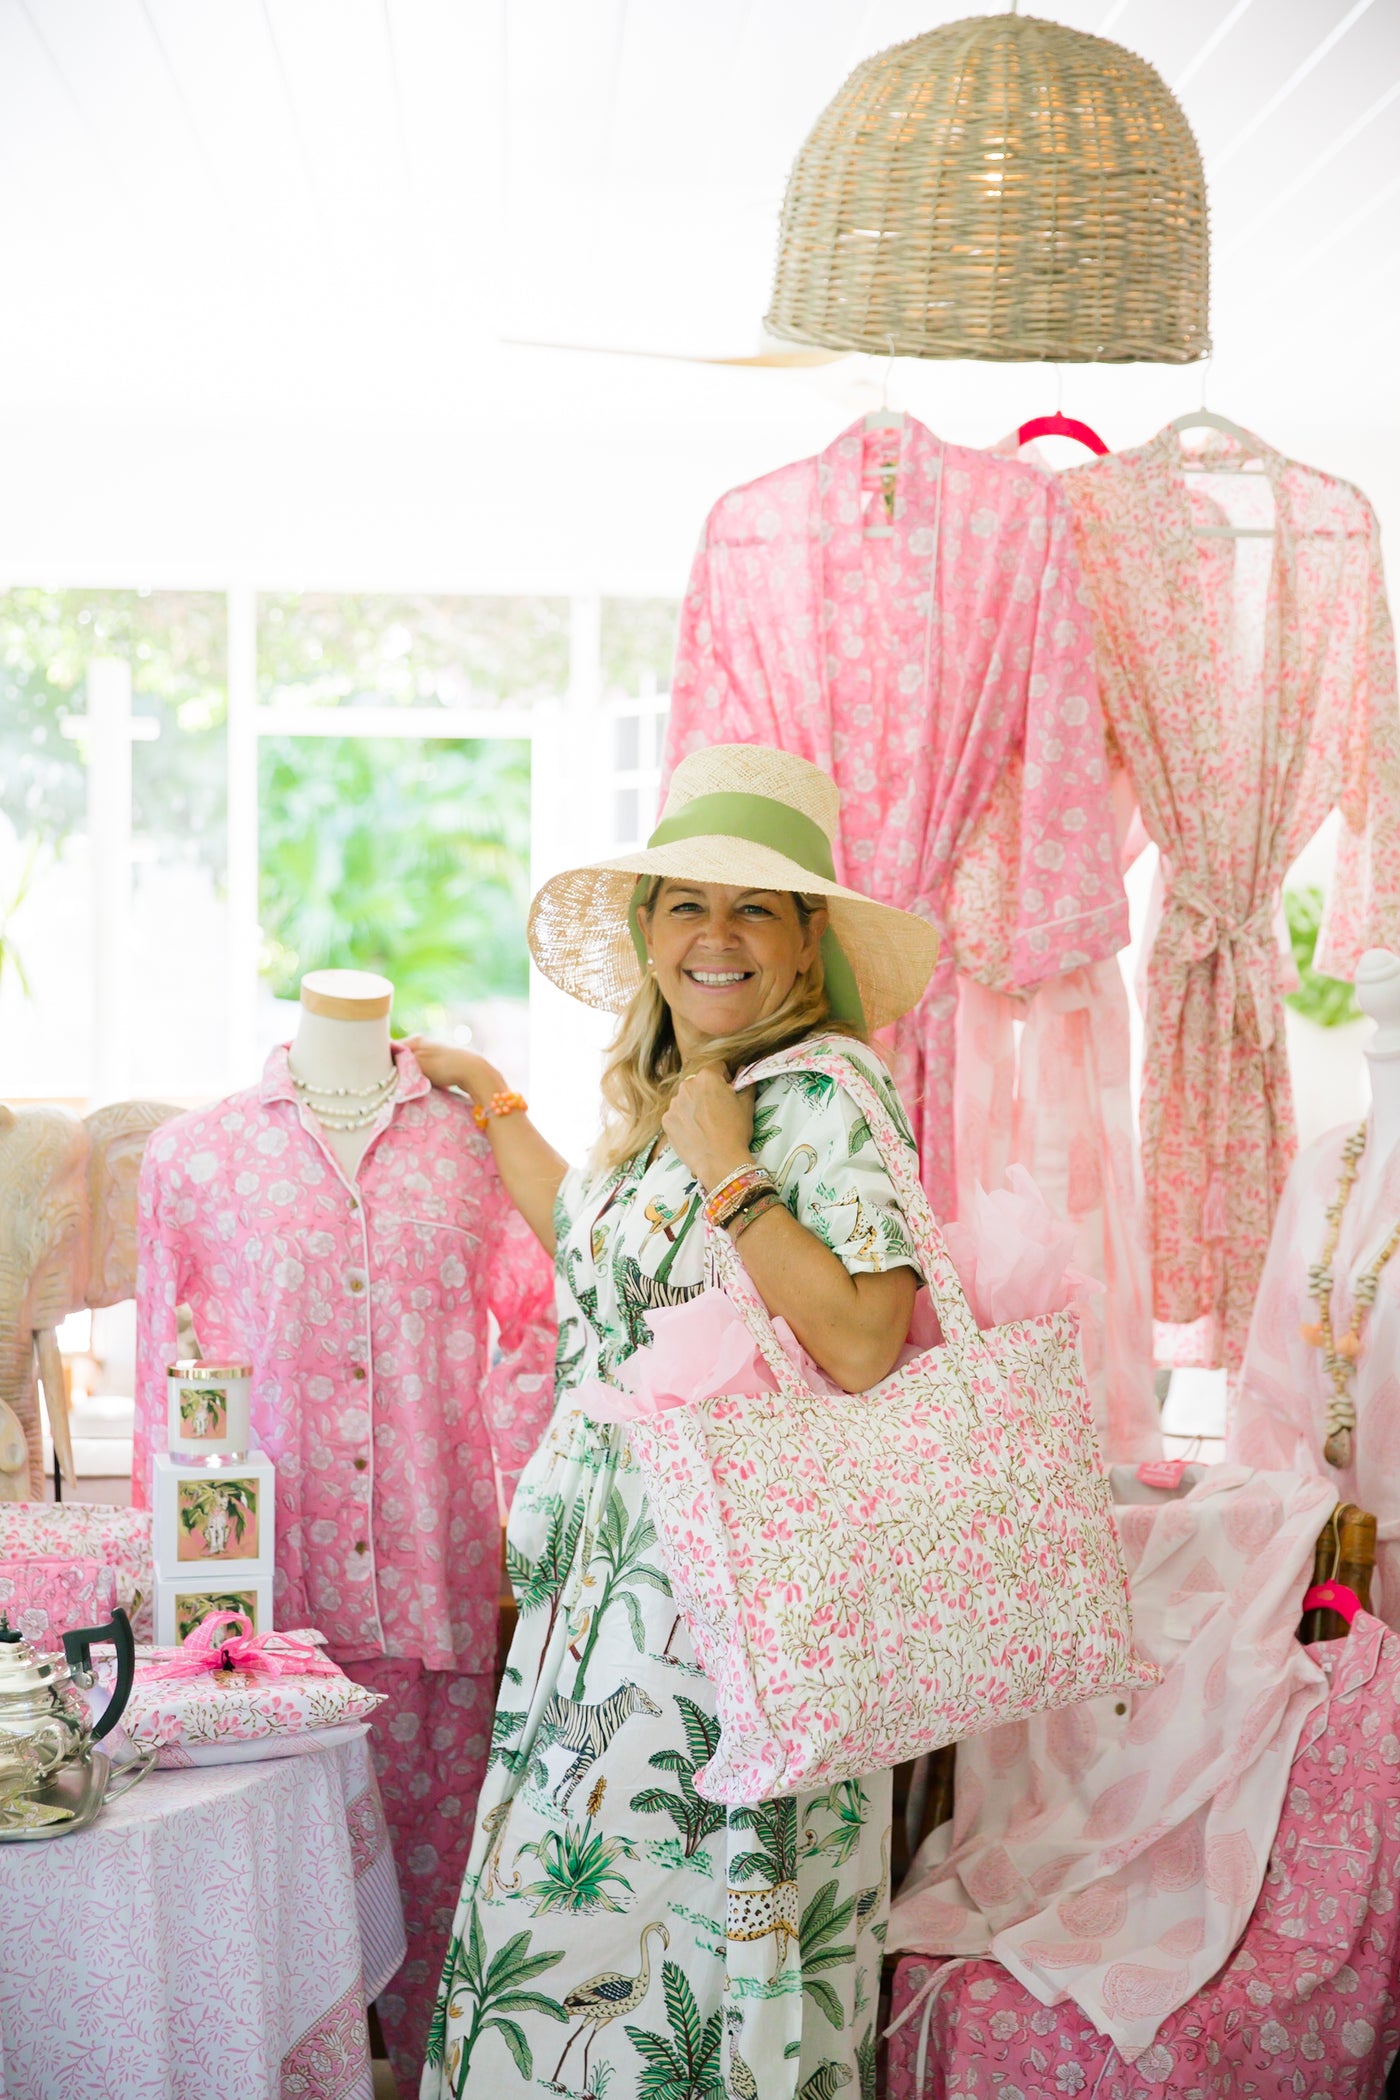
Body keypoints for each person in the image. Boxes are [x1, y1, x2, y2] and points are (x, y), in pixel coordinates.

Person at [411, 743, 938, 2100]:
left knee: (687, 1950)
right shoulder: (669, 1106)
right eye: (685, 904)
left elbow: (869, 1339)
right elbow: (596, 1253)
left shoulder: (819, 1096)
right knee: (587, 1942)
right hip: (609, 1604)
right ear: (646, 930)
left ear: (808, 940)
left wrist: (733, 1176)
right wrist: (494, 1101)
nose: (715, 936)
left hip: (730, 1611)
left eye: (754, 908)